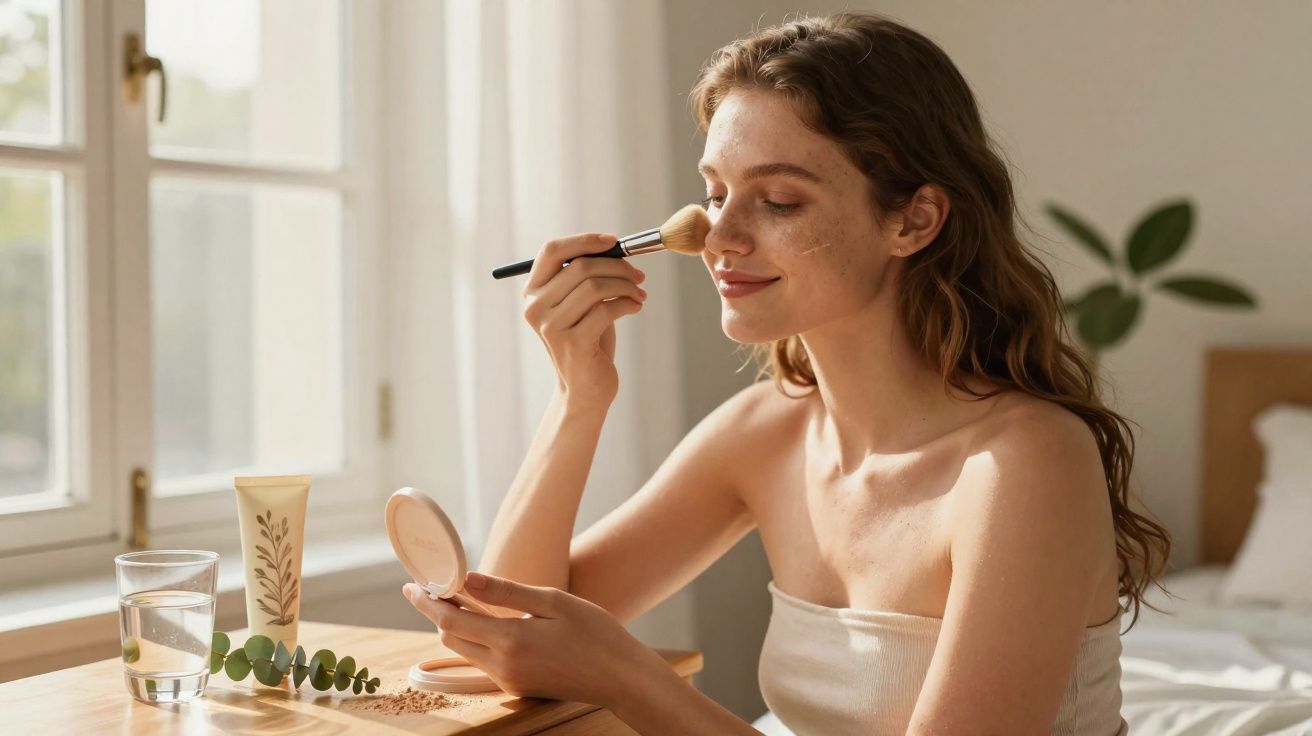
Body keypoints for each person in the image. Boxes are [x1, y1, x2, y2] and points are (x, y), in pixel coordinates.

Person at [402, 12, 1171, 735]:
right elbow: (506, 635)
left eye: (776, 200)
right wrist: (579, 397)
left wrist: (628, 676)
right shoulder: (766, 430)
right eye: (713, 195)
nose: (719, 237)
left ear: (914, 220)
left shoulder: (1024, 463)